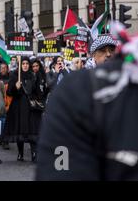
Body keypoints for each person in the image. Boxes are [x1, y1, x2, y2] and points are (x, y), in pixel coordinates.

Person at [36, 23, 138, 180]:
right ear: (93, 56)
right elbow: (60, 164)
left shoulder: (131, 87)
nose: (108, 55)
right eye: (102, 51)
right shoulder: (76, 89)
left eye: (112, 50)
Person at [5, 57, 43, 162]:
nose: (25, 65)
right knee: (20, 129)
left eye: (27, 63)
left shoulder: (34, 75)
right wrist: (15, 87)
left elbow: (38, 92)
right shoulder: (15, 75)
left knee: (33, 129)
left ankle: (34, 154)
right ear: (20, 65)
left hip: (31, 106)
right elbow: (9, 92)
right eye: (23, 63)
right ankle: (20, 153)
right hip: (18, 106)